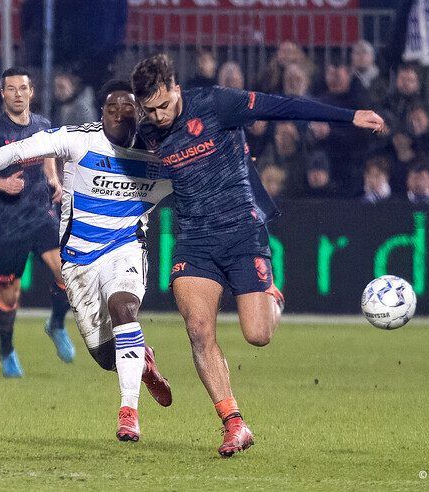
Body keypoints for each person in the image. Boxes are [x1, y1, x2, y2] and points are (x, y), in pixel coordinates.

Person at [130, 53, 385, 457]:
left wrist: (349, 116)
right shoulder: (144, 129)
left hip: (242, 233)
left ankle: (272, 298)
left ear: (176, 87)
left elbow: (282, 105)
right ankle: (234, 423)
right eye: (151, 109)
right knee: (198, 330)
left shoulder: (216, 104)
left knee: (258, 335)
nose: (160, 116)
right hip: (193, 239)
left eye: (164, 105)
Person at [0, 80, 174, 442]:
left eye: (127, 108)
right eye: (111, 108)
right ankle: (140, 360)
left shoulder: (161, 153)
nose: (118, 114)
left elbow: (202, 178)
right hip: (80, 259)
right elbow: (19, 150)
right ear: (101, 114)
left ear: (139, 113)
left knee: (124, 308)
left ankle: (128, 413)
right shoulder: (80, 138)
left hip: (126, 247)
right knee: (105, 357)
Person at [0, 67, 75, 378]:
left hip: (40, 214)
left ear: (31, 92)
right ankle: (6, 349)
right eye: (12, 89)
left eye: (23, 88)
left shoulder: (44, 125)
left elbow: (49, 155)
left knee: (69, 273)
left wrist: (54, 180)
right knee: (10, 294)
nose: (18, 94)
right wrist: (1, 184)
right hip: (5, 224)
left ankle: (57, 324)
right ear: (3, 95)